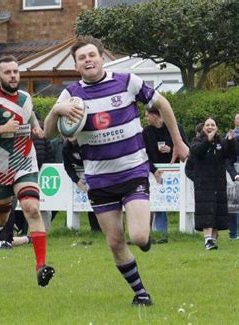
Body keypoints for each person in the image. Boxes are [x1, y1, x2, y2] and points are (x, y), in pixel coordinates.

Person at [43, 36, 189, 305]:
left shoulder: (126, 81)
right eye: (82, 58)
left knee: (140, 236)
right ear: (76, 65)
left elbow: (163, 105)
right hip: (99, 180)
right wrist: (56, 110)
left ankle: (144, 241)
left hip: (132, 172)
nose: (88, 60)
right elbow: (47, 132)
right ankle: (141, 293)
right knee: (114, 242)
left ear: (101, 58)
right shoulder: (70, 95)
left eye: (92, 55)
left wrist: (178, 141)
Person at [0, 55, 55, 287]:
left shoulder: (26, 98)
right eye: (8, 72)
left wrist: (35, 126)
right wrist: (3, 128)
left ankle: (41, 266)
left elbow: (28, 112)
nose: (13, 75)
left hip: (25, 161)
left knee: (32, 208)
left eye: (16, 71)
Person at [187, 117, 236, 249]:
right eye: (207, 125)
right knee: (206, 212)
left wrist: (231, 142)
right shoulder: (197, 141)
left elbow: (230, 156)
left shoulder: (221, 142)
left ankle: (213, 240)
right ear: (203, 128)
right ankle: (207, 240)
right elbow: (198, 151)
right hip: (204, 185)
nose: (210, 127)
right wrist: (208, 140)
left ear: (217, 128)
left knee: (217, 213)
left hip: (218, 183)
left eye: (213, 125)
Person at [142, 106, 189, 242]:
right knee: (156, 201)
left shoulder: (175, 128)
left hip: (176, 173)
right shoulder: (146, 132)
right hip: (155, 173)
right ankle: (158, 233)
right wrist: (153, 169)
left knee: (181, 201)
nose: (146, 118)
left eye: (147, 115)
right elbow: (143, 154)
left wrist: (172, 149)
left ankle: (185, 230)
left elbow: (186, 148)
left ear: (155, 115)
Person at [62, 137, 101, 232]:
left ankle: (104, 229)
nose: (72, 137)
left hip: (97, 171)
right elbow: (68, 167)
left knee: (99, 200)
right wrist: (77, 181)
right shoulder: (66, 148)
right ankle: (95, 230)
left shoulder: (88, 143)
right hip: (81, 176)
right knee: (87, 201)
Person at [226, 113, 239, 240]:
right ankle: (234, 233)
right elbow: (228, 157)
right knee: (234, 203)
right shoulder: (231, 136)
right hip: (234, 169)